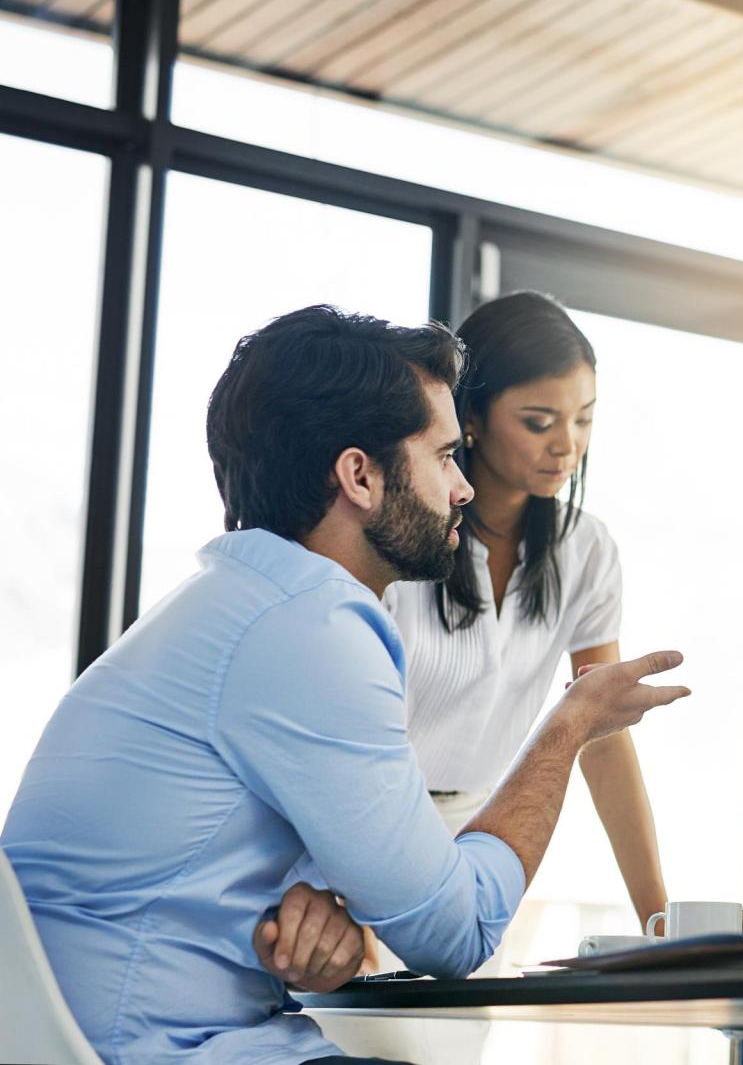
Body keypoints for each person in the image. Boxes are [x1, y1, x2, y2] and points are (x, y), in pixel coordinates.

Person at [0, 306, 689, 1065]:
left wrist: (319, 908)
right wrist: (567, 726)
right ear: (359, 475)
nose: (462, 488)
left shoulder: (246, 599)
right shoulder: (315, 628)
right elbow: (456, 932)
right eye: (442, 456)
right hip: (153, 1047)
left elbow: (224, 846)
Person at [382, 292, 665, 924]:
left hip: (491, 835)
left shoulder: (585, 550)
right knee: (378, 1025)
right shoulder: (401, 539)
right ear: (472, 417)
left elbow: (602, 736)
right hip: (371, 825)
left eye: (584, 419)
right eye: (539, 422)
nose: (568, 445)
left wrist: (660, 918)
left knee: (465, 1023)